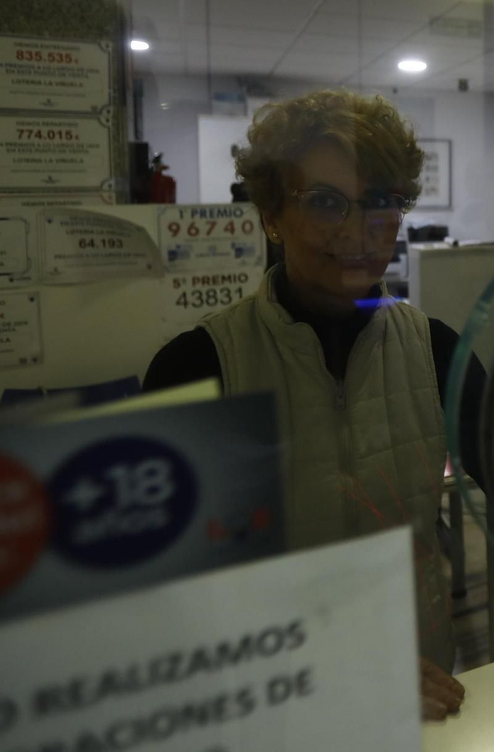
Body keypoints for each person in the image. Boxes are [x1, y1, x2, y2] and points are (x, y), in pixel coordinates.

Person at [144, 89, 469, 720]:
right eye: (324, 201)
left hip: (420, 696)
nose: (356, 229)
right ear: (271, 215)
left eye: (380, 201)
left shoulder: (435, 349)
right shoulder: (199, 368)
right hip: (265, 704)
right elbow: (167, 595)